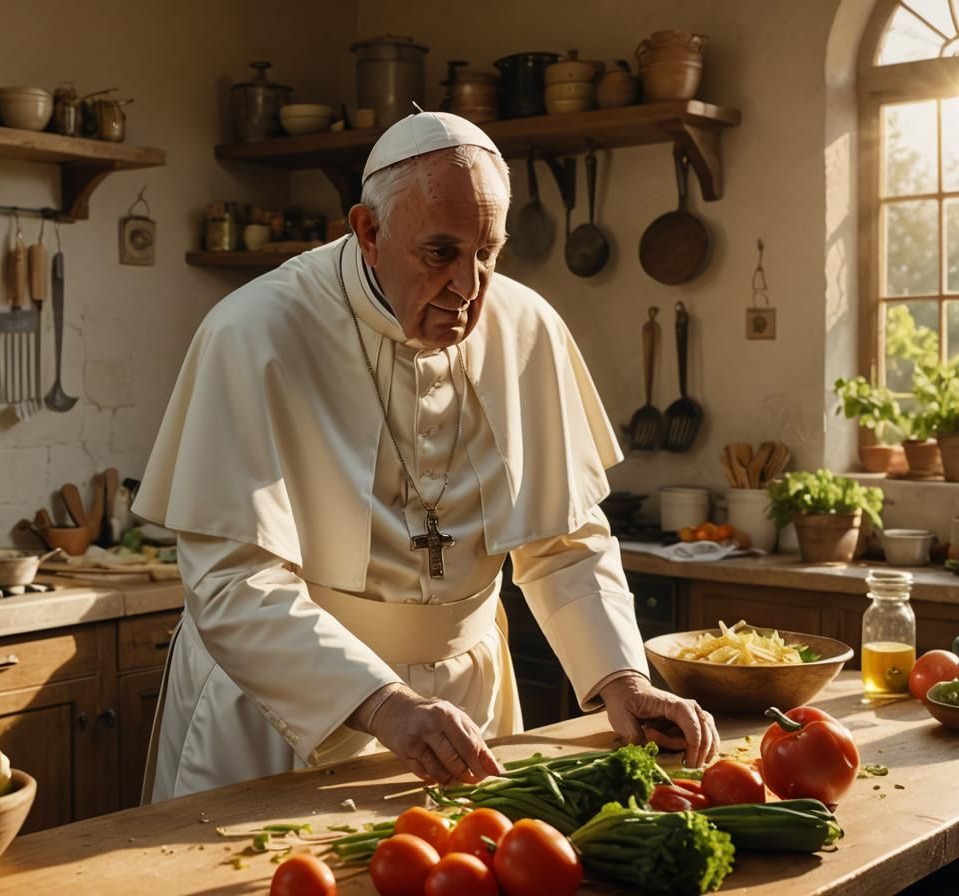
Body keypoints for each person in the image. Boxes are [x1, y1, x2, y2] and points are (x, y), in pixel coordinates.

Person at [133, 111, 719, 802]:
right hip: (281, 712)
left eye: (489, 253)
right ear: (370, 233)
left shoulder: (526, 327)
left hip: (465, 705)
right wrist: (383, 703)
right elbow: (232, 581)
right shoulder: (255, 332)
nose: (469, 288)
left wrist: (622, 678)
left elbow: (562, 540)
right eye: (440, 253)